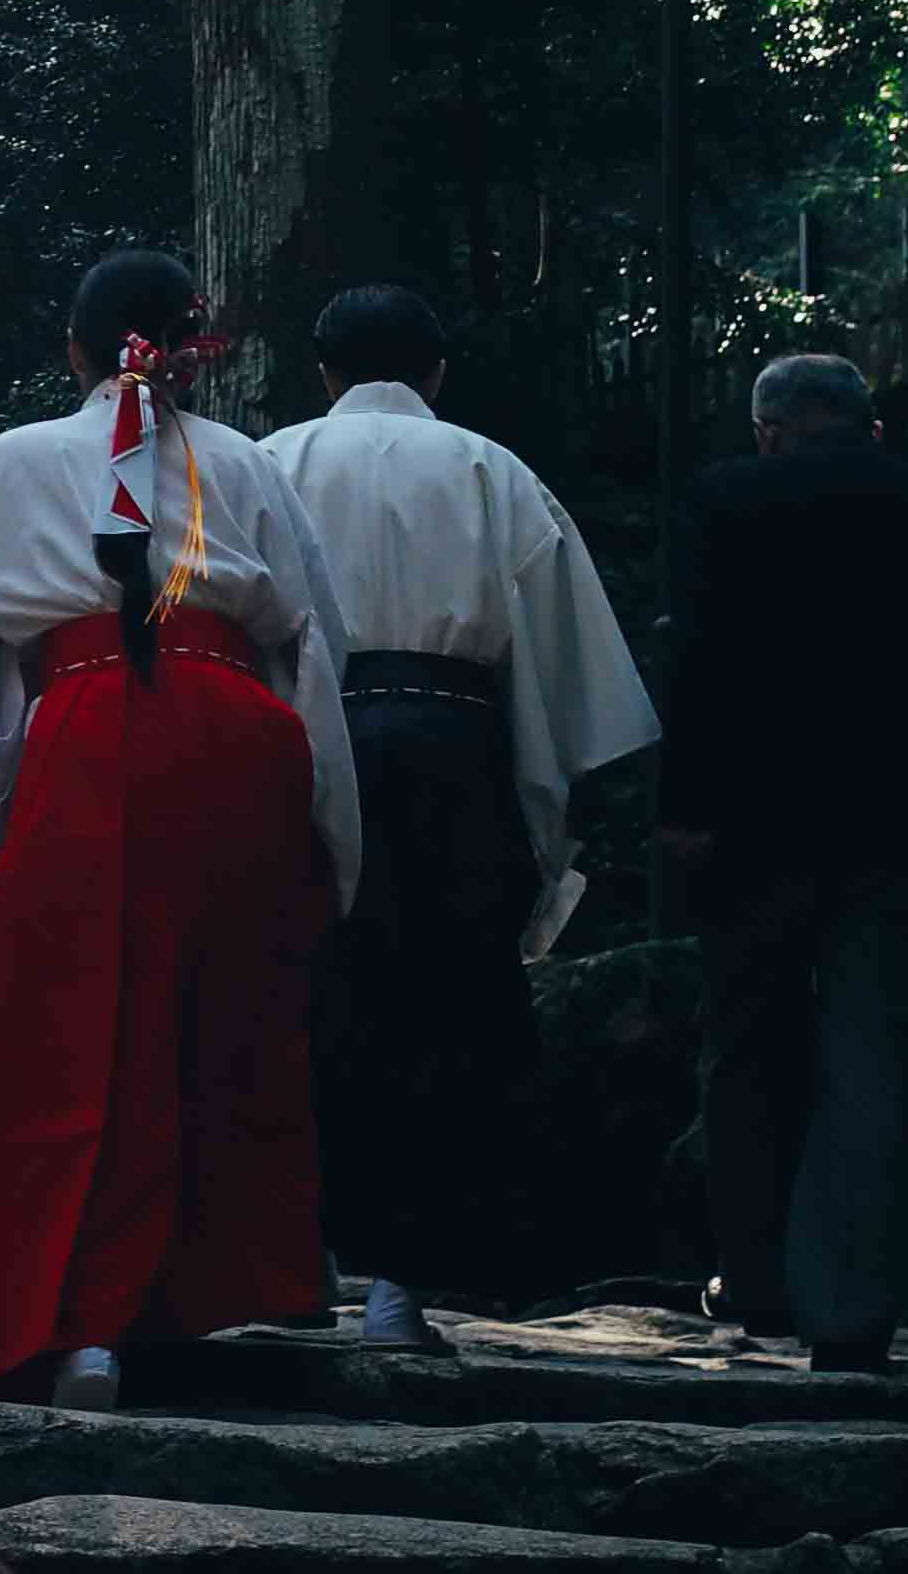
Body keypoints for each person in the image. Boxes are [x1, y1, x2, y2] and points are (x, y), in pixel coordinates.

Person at [0, 246, 359, 1410]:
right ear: (187, 349)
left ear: (76, 349)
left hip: (85, 725)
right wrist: (330, 820)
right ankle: (196, 1296)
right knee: (222, 1015)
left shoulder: (14, 461)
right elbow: (309, 640)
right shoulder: (245, 465)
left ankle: (78, 1322)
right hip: (236, 732)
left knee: (74, 1026)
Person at [266, 284, 659, 1351]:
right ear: (436, 371)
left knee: (307, 993)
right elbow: (565, 660)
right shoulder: (493, 472)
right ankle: (399, 1285)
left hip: (312, 743)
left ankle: (293, 1255)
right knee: (442, 1009)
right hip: (454, 751)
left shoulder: (269, 464)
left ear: (323, 370)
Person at [659, 352, 908, 1372]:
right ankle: (850, 1310)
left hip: (753, 824)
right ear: (870, 426)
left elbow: (699, 657)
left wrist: (683, 807)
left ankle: (757, 1278)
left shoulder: (729, 499)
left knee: (748, 1046)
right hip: (895, 821)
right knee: (873, 1058)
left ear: (770, 428)